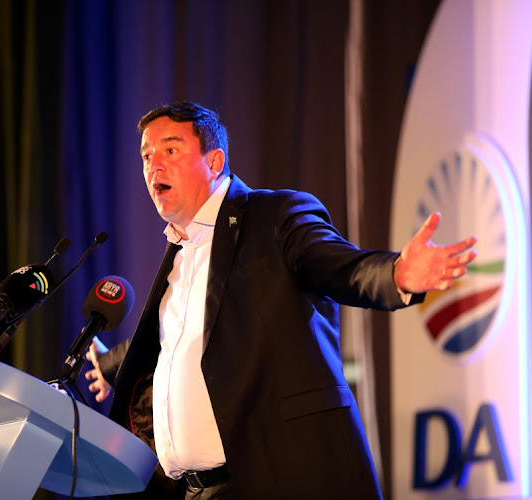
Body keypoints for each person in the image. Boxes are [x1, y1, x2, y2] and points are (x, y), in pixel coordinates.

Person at [84, 101, 477, 499]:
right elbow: (178, 339)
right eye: (147, 156)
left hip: (275, 481)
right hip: (192, 492)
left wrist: (396, 274)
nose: (154, 166)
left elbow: (340, 267)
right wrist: (110, 363)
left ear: (215, 161)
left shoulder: (272, 217)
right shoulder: (179, 257)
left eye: (170, 150)